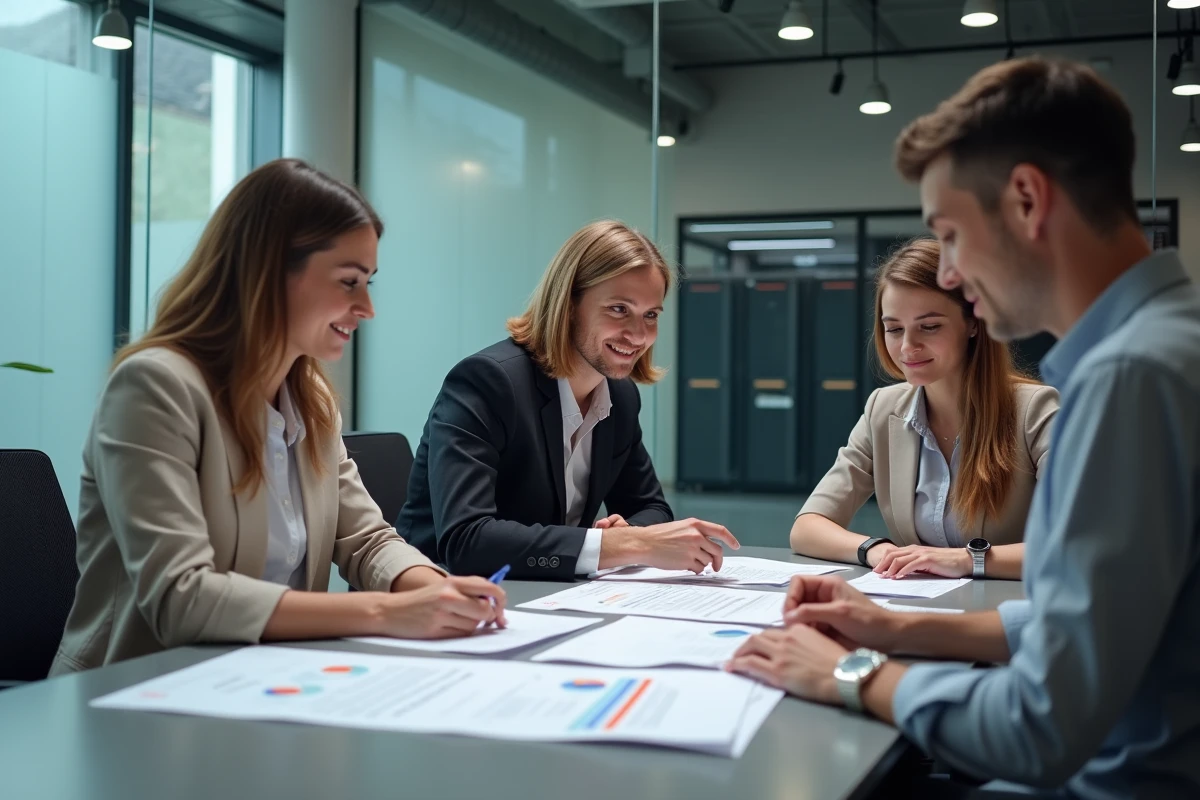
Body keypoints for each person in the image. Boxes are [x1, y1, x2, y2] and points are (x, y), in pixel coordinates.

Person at [728, 56, 1200, 797]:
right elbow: (1078, 629)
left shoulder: (1129, 379)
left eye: (950, 233)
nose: (949, 273)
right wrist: (899, 629)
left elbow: (1039, 722)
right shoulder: (1165, 347)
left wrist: (855, 672)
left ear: (1026, 200)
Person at [51, 159, 506, 675]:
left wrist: (437, 590)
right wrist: (387, 611)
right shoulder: (154, 387)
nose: (366, 308)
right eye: (349, 281)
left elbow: (366, 539)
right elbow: (180, 597)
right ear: (269, 272)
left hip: (267, 681)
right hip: (132, 696)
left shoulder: (309, 398)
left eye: (369, 284)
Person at [398, 220, 739, 580]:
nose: (639, 335)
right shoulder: (488, 382)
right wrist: (624, 546)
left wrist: (629, 534)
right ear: (569, 303)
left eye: (650, 315)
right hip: (432, 603)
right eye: (619, 309)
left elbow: (650, 507)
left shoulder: (619, 396)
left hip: (540, 597)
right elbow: (467, 541)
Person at [791, 238, 1058, 580]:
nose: (907, 347)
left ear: (973, 323)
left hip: (1009, 616)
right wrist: (876, 549)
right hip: (918, 608)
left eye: (929, 326)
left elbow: (1076, 544)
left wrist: (966, 560)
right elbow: (808, 526)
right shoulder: (882, 409)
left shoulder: (1036, 411)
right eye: (894, 329)